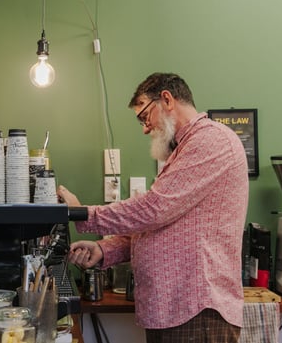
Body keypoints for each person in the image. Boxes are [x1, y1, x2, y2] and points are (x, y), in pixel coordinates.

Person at [57, 72, 249, 343]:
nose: (145, 128)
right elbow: (159, 225)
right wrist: (104, 250)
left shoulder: (211, 141)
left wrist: (83, 214)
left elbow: (154, 208)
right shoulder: (185, 150)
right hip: (176, 309)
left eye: (144, 116)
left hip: (198, 309)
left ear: (167, 100)